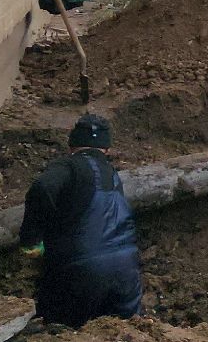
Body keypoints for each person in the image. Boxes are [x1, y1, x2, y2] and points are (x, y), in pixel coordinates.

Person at [18, 114, 144, 327]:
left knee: (62, 334)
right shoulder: (113, 175)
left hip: (81, 272)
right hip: (127, 271)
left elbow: (42, 188)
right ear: (107, 150)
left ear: (72, 145)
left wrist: (31, 240)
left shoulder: (71, 166)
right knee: (128, 336)